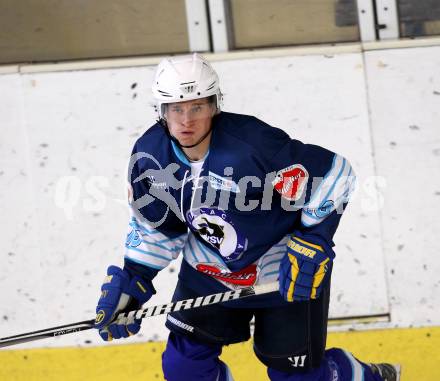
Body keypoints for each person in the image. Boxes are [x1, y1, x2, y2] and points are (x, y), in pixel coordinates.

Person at [94, 53, 400, 381]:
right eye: (176, 109)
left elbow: (333, 176)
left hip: (284, 270)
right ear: (161, 112)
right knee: (185, 370)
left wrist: (313, 238)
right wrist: (136, 277)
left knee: (297, 377)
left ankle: (361, 375)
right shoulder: (150, 156)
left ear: (214, 106)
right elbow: (157, 225)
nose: (186, 120)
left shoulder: (253, 144)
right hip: (208, 271)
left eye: (196, 107)